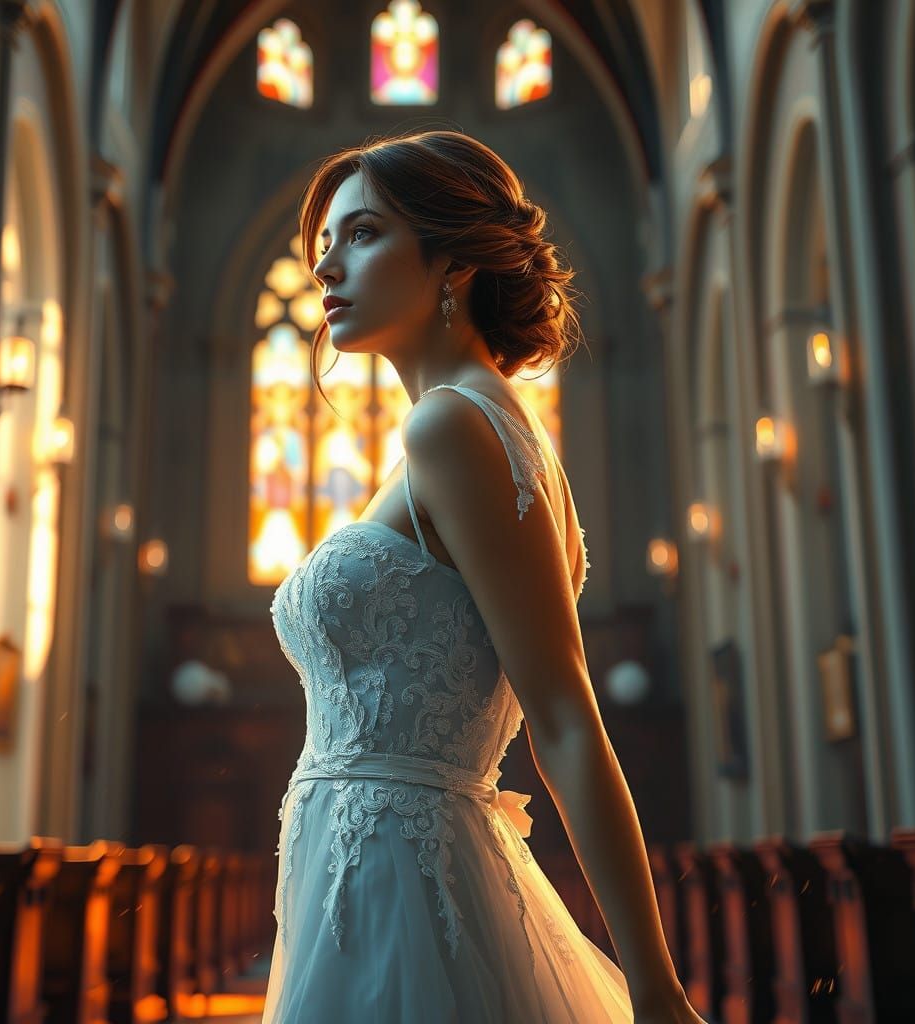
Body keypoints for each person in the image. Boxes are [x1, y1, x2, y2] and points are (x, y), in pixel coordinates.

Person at [263, 129, 708, 1024]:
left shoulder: (452, 428)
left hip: (398, 883)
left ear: (451, 263)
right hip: (368, 869)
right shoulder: (479, 426)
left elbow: (563, 712)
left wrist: (656, 990)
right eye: (322, 248)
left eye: (362, 235)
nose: (325, 271)